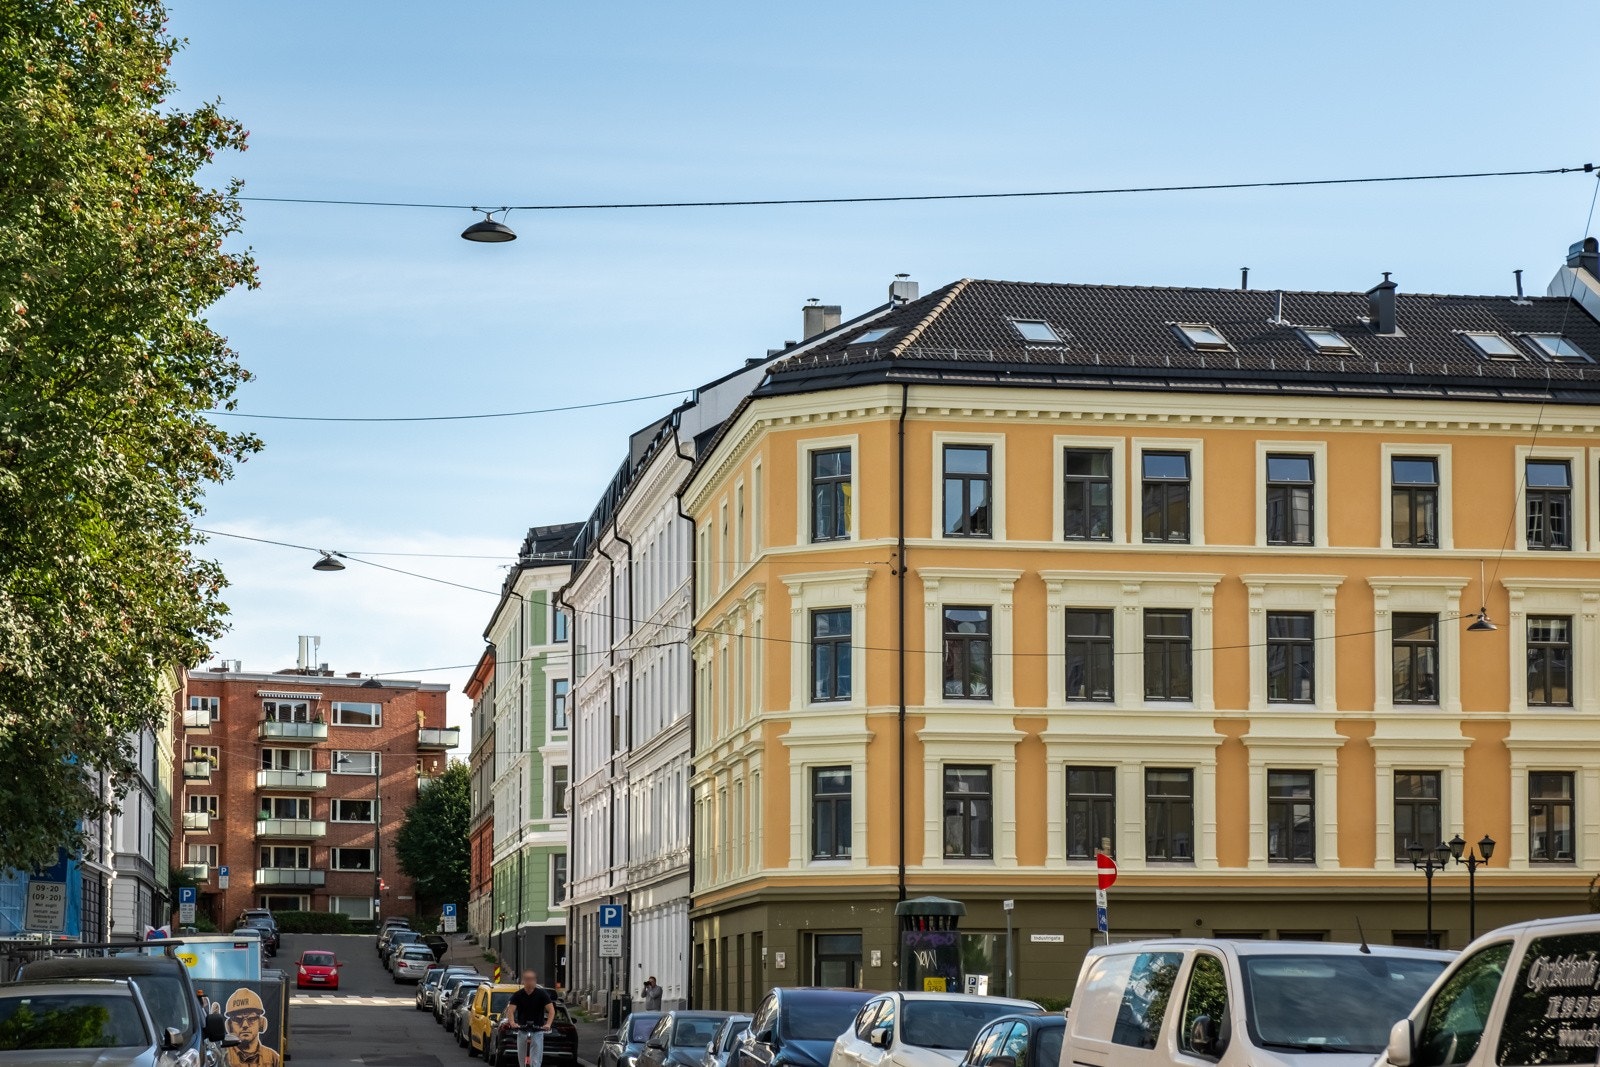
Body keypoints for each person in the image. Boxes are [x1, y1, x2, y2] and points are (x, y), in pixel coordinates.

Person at [505, 969, 555, 1067]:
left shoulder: (541, 994)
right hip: (522, 1030)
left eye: (531, 979)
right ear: (523, 981)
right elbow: (510, 1010)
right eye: (527, 979)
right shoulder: (518, 995)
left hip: (537, 1030)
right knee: (522, 1061)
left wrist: (548, 1024)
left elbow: (551, 1010)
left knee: (535, 1062)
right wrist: (512, 1023)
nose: (529, 981)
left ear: (535, 980)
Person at [222, 988, 279, 1067]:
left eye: (252, 1018)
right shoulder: (222, 1056)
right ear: (229, 1025)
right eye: (238, 1019)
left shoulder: (273, 1057)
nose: (245, 1025)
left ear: (261, 1023)